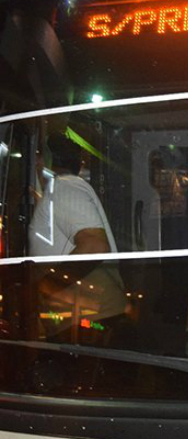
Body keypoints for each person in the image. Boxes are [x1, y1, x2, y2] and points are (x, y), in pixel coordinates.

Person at [30, 131, 128, 342]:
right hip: (82, 319)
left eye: (37, 154)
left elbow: (94, 245)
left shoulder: (64, 187)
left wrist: (45, 287)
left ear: (43, 159)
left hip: (88, 321)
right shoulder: (58, 191)